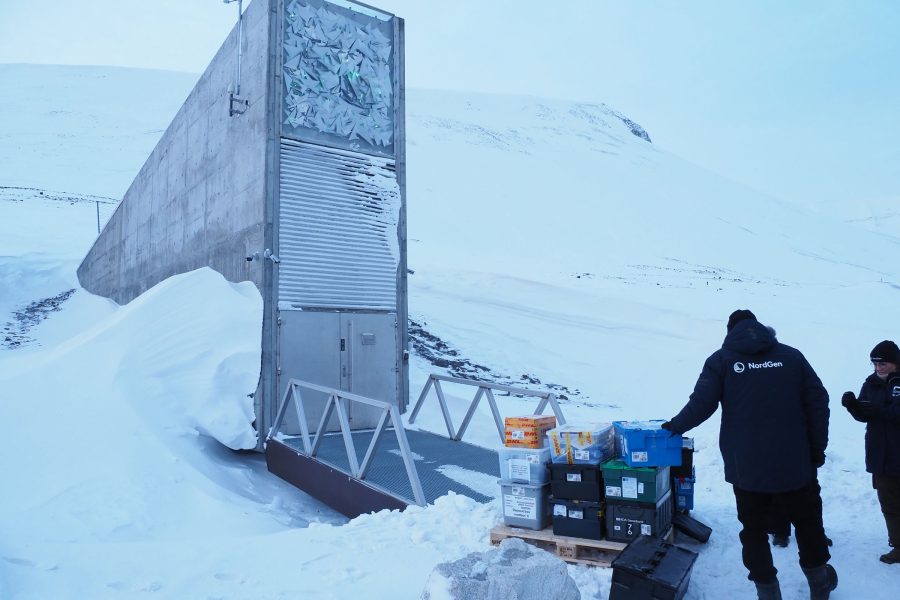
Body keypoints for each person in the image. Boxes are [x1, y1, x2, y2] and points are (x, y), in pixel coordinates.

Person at [661, 309, 837, 600]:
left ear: (730, 330)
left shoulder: (721, 360)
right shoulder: (792, 357)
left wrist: (673, 427)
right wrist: (815, 451)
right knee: (808, 524)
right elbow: (819, 402)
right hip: (795, 464)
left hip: (747, 469)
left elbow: (701, 404)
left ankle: (768, 593)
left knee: (753, 530)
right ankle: (820, 584)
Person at [841, 339, 900, 564]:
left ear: (895, 363)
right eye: (875, 363)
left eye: (882, 363)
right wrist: (853, 407)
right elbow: (866, 414)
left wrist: (878, 410)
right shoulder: (871, 383)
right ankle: (898, 545)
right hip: (881, 455)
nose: (878, 367)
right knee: (889, 504)